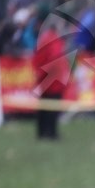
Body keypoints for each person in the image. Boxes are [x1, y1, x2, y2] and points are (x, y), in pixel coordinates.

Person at [31, 10, 68, 140]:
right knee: (51, 108)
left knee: (44, 108)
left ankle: (42, 132)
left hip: (45, 79)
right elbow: (55, 60)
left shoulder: (46, 38)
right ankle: (50, 133)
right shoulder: (54, 40)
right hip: (53, 81)